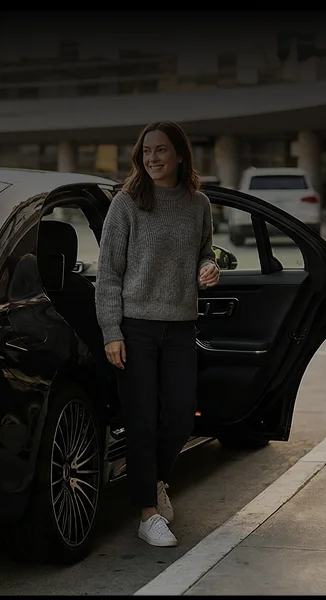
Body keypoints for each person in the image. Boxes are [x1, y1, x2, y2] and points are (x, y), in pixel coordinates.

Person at [95, 121, 222, 548]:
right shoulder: (127, 204)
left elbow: (205, 251)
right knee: (142, 421)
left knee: (182, 416)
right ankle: (147, 513)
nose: (153, 158)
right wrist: (112, 331)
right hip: (136, 328)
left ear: (180, 155)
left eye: (161, 150)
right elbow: (108, 275)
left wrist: (209, 268)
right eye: (146, 151)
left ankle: (158, 482)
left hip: (182, 325)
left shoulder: (198, 203)